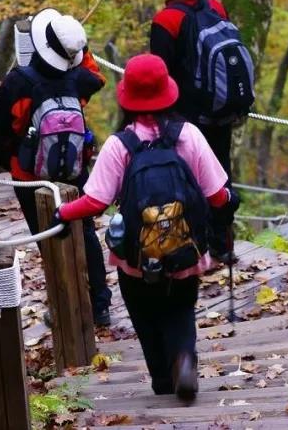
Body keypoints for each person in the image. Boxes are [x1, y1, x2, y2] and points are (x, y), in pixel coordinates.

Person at [53, 53, 234, 402]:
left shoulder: (120, 145)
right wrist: (230, 198)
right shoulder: (189, 136)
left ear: (128, 98)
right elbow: (215, 195)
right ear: (168, 92)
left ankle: (162, 380)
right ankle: (184, 360)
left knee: (144, 314)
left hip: (136, 258)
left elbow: (95, 201)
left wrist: (63, 213)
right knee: (181, 309)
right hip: (185, 252)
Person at [0, 8, 112, 326]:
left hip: (30, 175)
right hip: (75, 170)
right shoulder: (77, 78)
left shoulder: (19, 82)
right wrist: (80, 50)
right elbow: (98, 78)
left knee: (49, 238)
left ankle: (64, 310)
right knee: (86, 232)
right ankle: (100, 306)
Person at [149, 0, 253, 261]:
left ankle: (194, 248)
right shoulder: (215, 7)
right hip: (220, 111)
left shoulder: (166, 20)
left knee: (187, 180)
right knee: (220, 174)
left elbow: (160, 75)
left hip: (185, 118)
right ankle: (223, 246)